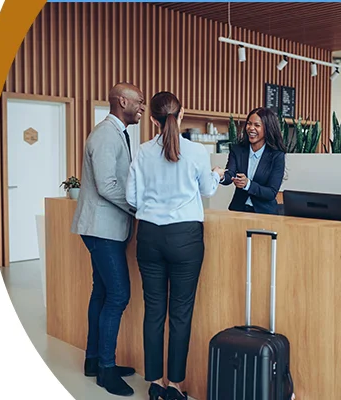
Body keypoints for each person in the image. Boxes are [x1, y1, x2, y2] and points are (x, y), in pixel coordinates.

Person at [126, 91, 225, 400]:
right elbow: (208, 190)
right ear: (181, 116)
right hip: (186, 239)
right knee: (181, 313)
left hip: (150, 237)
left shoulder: (142, 151)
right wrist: (216, 175)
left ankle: (154, 383)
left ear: (153, 120)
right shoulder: (196, 151)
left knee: (154, 311)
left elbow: (131, 198)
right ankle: (176, 387)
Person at [71, 82, 146, 396]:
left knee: (101, 293)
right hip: (102, 229)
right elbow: (106, 184)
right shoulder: (105, 134)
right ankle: (106, 369)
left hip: (106, 228)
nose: (141, 108)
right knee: (118, 296)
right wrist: (136, 206)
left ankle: (94, 360)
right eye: (138, 102)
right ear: (121, 101)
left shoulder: (117, 134)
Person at [220, 107, 287, 214]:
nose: (251, 128)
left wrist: (248, 184)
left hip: (265, 213)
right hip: (239, 211)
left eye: (257, 125)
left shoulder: (276, 155)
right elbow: (230, 175)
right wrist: (221, 175)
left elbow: (271, 192)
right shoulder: (237, 150)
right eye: (249, 124)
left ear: (268, 128)